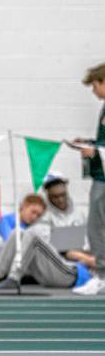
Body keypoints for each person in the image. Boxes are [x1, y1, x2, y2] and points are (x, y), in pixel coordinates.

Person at [0, 175, 90, 290]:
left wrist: (87, 258)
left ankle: (14, 278)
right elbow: (64, 249)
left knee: (30, 234)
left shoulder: (80, 214)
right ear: (48, 195)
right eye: (55, 196)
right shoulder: (44, 217)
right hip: (51, 268)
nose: (60, 199)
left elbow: (86, 248)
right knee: (19, 233)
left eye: (62, 195)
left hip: (70, 271)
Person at [71, 63, 105, 295]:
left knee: (98, 227)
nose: (93, 91)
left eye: (94, 85)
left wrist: (94, 151)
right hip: (100, 175)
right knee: (96, 228)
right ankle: (101, 273)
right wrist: (89, 144)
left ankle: (101, 273)